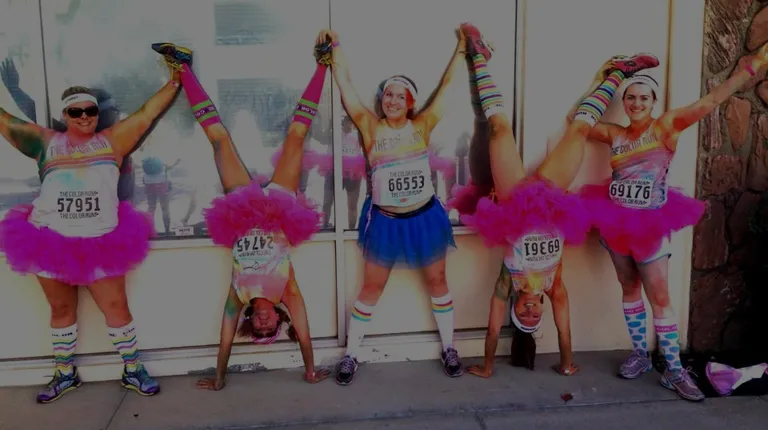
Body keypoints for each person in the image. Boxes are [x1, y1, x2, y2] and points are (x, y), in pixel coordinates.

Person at [445, 24, 659, 378]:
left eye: (523, 314)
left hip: (515, 197)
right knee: (579, 130)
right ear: (542, 308)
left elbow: (494, 328)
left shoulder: (508, 282)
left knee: (498, 128)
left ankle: (479, 57)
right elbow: (564, 328)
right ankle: (619, 73)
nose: (530, 311)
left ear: (515, 308)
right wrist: (566, 362)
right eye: (535, 315)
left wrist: (487, 366)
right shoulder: (553, 287)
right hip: (549, 197)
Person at [578, 40, 768, 402]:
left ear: (654, 101)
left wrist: (752, 66)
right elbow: (578, 122)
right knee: (628, 286)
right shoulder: (614, 134)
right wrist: (606, 79)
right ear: (623, 102)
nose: (636, 104)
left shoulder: (666, 127)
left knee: (660, 296)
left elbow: (711, 101)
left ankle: (674, 370)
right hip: (616, 222)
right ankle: (639, 354)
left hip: (650, 224)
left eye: (643, 98)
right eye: (630, 98)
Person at [151, 40, 330, 391]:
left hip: (243, 212)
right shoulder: (288, 292)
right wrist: (310, 370)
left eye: (258, 328)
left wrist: (219, 377)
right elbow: (305, 334)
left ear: (251, 320)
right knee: (297, 135)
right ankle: (323, 64)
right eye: (270, 327)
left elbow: (225, 336)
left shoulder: (239, 296)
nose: (263, 323)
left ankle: (182, 66)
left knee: (218, 139)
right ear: (278, 318)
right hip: (277, 209)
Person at [0, 62, 180, 404]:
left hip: (100, 241)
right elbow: (6, 120)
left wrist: (176, 79)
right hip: (50, 240)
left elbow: (147, 113)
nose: (84, 117)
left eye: (90, 111)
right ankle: (64, 374)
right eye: (76, 111)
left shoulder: (113, 141)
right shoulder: (45, 143)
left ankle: (132, 370)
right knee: (60, 310)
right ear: (65, 115)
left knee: (116, 307)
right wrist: (14, 90)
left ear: (98, 114)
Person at [317, 26, 467, 384]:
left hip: (425, 217)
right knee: (371, 288)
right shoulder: (370, 127)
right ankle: (351, 355)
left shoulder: (422, 125)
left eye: (401, 96)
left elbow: (447, 87)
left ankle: (449, 348)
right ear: (382, 98)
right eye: (388, 94)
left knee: (438, 281)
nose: (394, 100)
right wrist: (335, 50)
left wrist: (462, 48)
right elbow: (347, 88)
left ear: (411, 102)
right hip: (385, 221)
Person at [1, 58, 137, 203]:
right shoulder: (90, 138)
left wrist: (15, 90)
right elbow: (35, 113)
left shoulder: (117, 140)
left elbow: (35, 114)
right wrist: (15, 90)